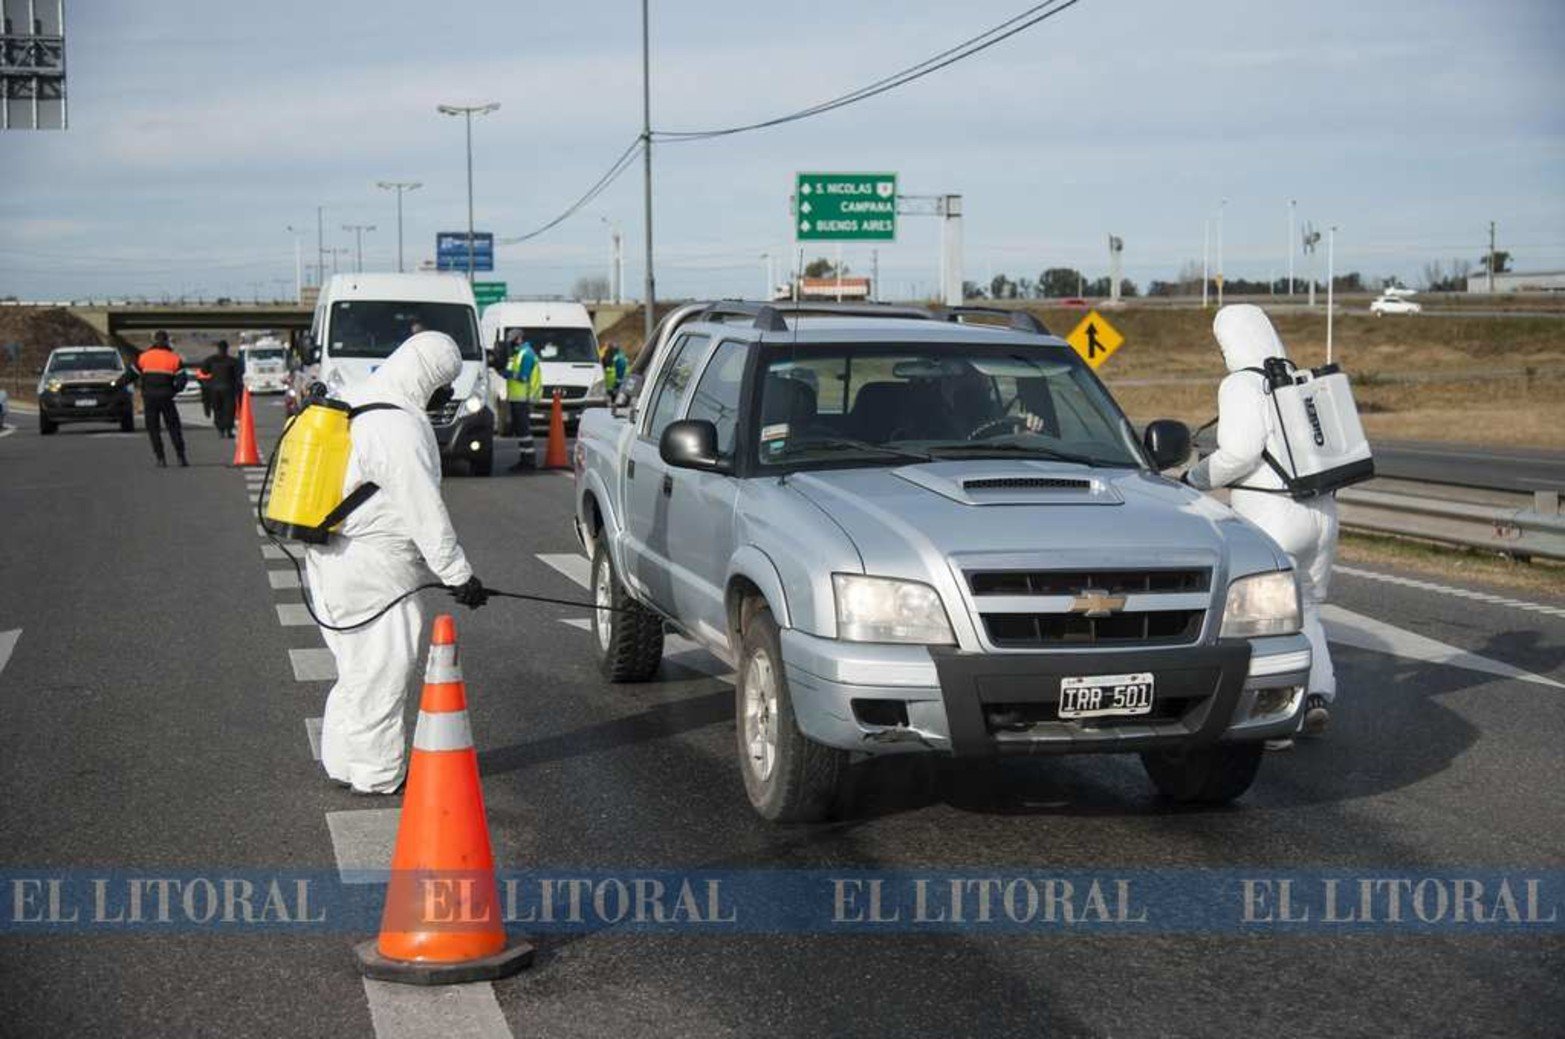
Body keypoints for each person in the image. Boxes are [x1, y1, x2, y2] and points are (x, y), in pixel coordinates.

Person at [304, 330, 489, 795]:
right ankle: (378, 774)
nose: (444, 394)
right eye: (443, 382)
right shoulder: (398, 426)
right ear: (426, 374)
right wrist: (458, 575)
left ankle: (343, 762)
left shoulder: (357, 398)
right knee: (382, 670)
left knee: (356, 666)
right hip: (374, 566)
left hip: (331, 556)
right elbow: (423, 508)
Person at [1185, 304, 1336, 743]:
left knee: (1260, 620)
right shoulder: (1299, 379)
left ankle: (1273, 720)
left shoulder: (1241, 384)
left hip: (1272, 514)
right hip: (1322, 513)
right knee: (1307, 609)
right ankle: (1316, 697)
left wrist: (1192, 480)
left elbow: (1240, 452)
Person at [130, 331, 189, 467]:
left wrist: (115, 385)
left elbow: (131, 374)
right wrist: (174, 390)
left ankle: (160, 459)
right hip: (166, 397)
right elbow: (182, 379)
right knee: (174, 427)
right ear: (167, 341)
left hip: (150, 398)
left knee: (153, 429)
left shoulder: (144, 357)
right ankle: (181, 457)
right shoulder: (173, 358)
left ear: (154, 341)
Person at [504, 334, 542, 471]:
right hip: (516, 398)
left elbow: (523, 377)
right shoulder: (518, 354)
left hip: (523, 398)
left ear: (519, 339)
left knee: (524, 430)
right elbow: (509, 371)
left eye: (512, 342)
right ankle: (524, 459)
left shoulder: (526, 354)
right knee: (520, 430)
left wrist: (509, 374)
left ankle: (529, 461)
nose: (511, 345)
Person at [198, 339, 243, 437]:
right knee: (229, 410)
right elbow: (239, 374)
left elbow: (204, 371)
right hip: (228, 388)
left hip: (215, 389)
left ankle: (221, 430)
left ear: (218, 348)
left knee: (218, 410)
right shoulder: (233, 361)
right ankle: (228, 429)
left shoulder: (211, 360)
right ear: (227, 349)